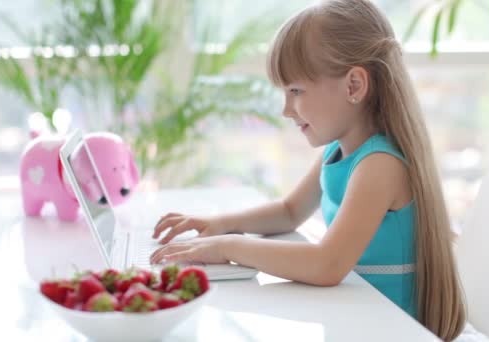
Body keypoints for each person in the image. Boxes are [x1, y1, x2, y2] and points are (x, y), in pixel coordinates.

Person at [150, 0, 466, 340]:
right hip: (354, 318)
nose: (286, 109)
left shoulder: (379, 165)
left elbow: (327, 264)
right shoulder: (339, 150)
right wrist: (218, 225)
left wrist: (229, 247)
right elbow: (289, 211)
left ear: (354, 86)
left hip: (388, 329)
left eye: (296, 91)